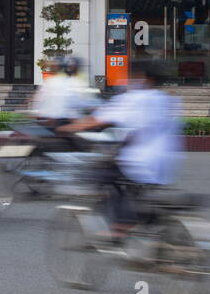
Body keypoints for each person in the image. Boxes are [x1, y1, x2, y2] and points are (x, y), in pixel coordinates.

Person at [65, 59, 183, 236]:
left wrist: (68, 128)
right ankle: (145, 224)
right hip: (166, 161)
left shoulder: (132, 98)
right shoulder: (167, 100)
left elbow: (96, 119)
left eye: (132, 76)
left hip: (140, 159)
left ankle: (122, 225)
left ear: (143, 78)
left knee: (102, 176)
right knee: (132, 188)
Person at [33, 55, 93, 131]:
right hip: (64, 121)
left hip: (50, 120)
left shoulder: (50, 82)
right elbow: (83, 102)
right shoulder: (75, 82)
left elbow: (38, 102)